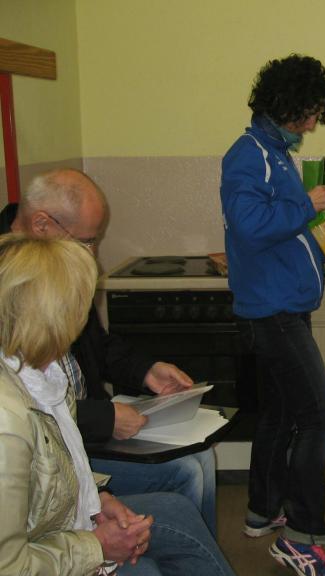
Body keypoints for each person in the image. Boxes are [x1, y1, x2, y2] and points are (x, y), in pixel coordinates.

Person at [0, 234, 248, 576]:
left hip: (64, 530)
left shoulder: (43, 378)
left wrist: (99, 500)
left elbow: (59, 472)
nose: (80, 324)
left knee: (177, 512)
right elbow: (7, 573)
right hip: (48, 570)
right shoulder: (7, 424)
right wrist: (97, 546)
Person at [1, 168, 217, 533]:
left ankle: (183, 550)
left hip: (87, 430)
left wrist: (146, 369)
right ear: (41, 224)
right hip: (64, 449)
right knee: (186, 472)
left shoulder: (59, 262)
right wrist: (104, 418)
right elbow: (29, 407)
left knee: (201, 456)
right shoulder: (11, 280)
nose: (92, 254)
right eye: (86, 241)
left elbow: (97, 345)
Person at [220, 54, 325, 576]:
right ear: (288, 105)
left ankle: (262, 509)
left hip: (282, 306)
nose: (314, 123)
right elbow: (250, 225)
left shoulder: (274, 153)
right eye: (311, 112)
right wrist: (307, 205)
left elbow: (283, 232)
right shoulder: (248, 155)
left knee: (280, 415)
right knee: (320, 418)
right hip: (273, 313)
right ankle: (300, 536)